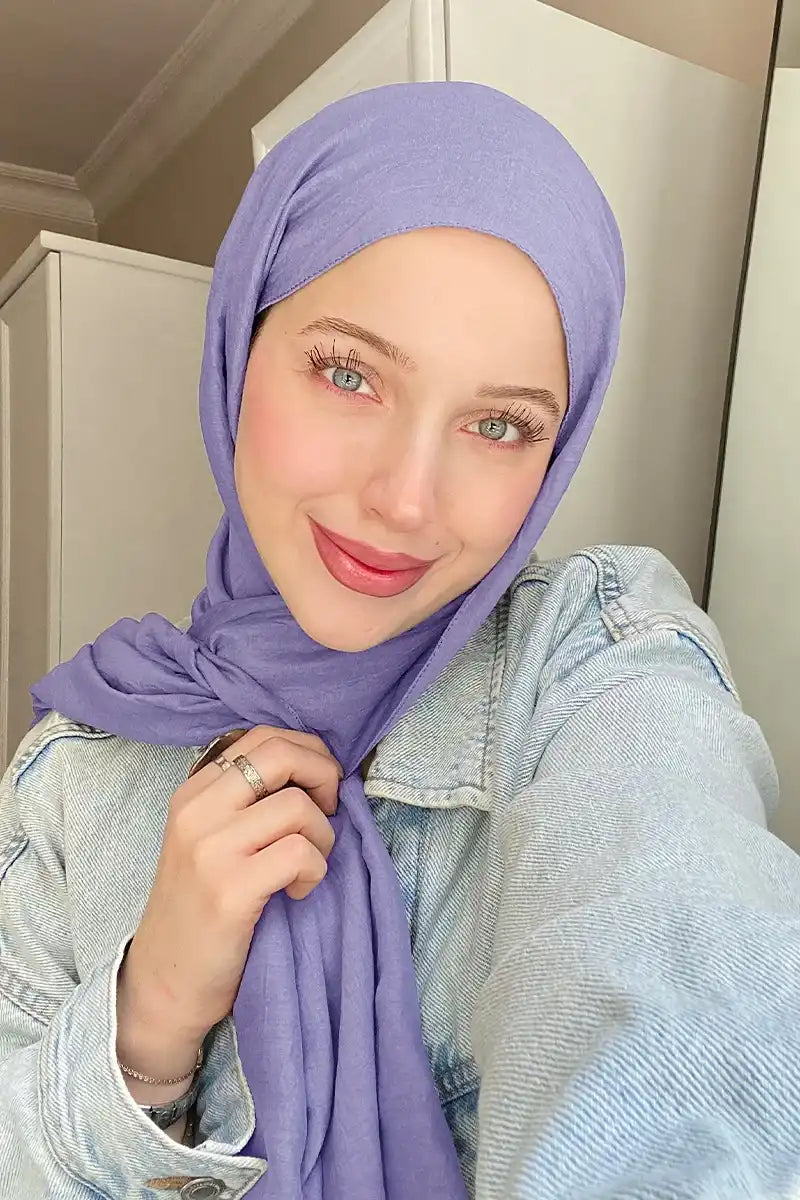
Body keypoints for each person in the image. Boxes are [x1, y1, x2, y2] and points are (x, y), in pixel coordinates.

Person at [0, 79, 798, 1200]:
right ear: (238, 345)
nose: (407, 500)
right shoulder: (77, 774)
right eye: (349, 373)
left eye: (499, 424)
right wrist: (147, 1022)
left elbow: (682, 997)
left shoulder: (586, 661)